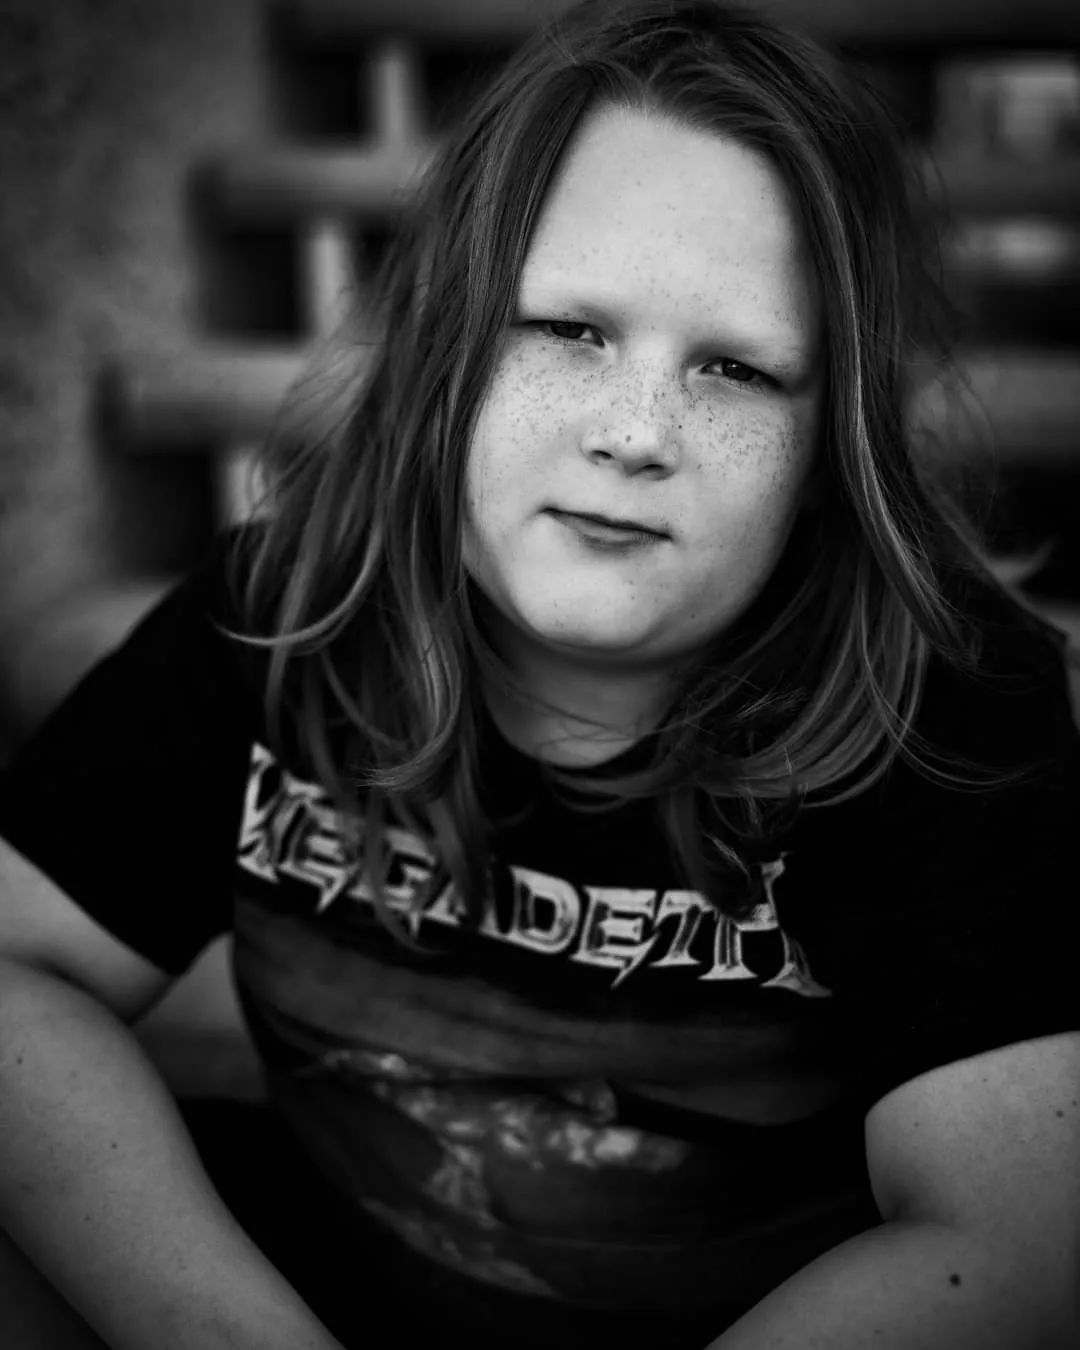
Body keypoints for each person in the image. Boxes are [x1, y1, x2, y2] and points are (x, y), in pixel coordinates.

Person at [1, 0, 1077, 1347]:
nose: (636, 432)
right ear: (445, 348)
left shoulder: (949, 703)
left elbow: (1018, 1235)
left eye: (738, 368)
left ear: (828, 447)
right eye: (568, 329)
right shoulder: (286, 613)